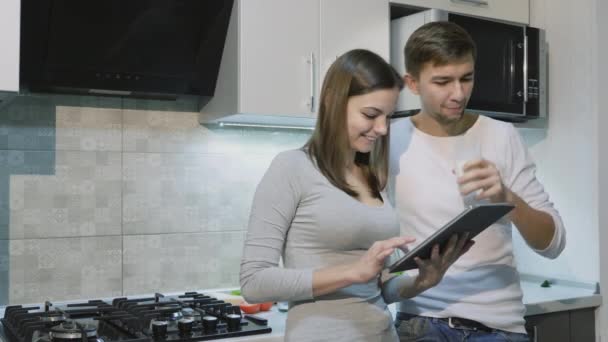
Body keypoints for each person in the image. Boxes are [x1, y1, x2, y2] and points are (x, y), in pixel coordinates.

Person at [240, 49, 471, 342]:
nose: (382, 128)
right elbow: (254, 282)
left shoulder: (372, 177)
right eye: (371, 115)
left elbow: (379, 286)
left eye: (388, 117)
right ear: (332, 103)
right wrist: (351, 272)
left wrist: (422, 282)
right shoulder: (291, 167)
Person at [388, 21, 566, 341]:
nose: (458, 94)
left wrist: (506, 198)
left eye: (466, 78)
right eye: (443, 81)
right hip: (421, 321)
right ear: (412, 83)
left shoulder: (502, 136)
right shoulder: (388, 142)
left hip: (499, 326)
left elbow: (552, 243)